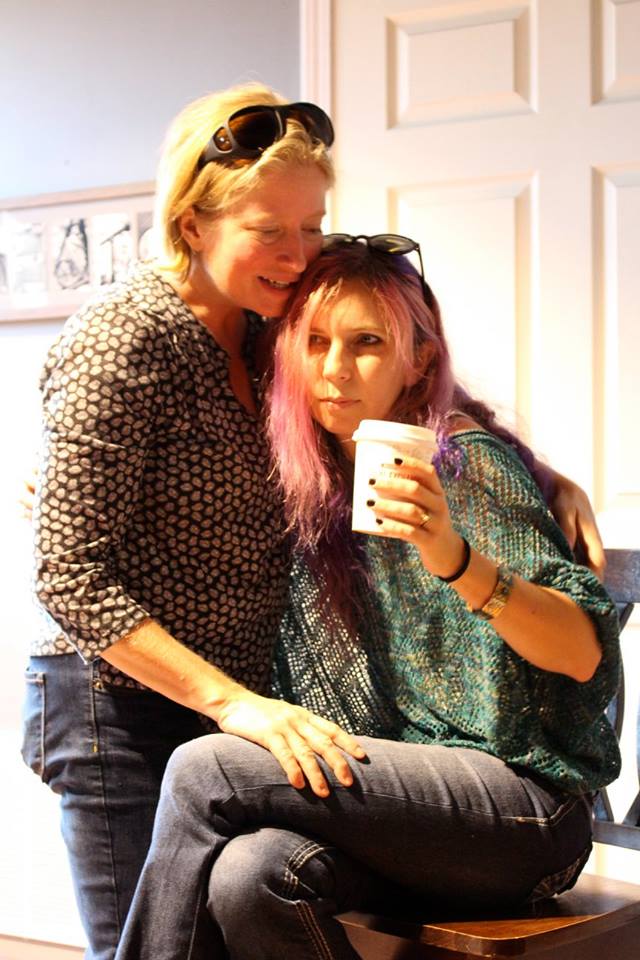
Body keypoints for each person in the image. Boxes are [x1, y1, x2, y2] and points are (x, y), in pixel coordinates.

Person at [22, 82, 605, 960]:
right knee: (240, 877)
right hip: (124, 700)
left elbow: (414, 373)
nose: (297, 254)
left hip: (262, 721)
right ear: (192, 224)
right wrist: (238, 706)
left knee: (216, 806)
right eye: (270, 229)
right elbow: (67, 568)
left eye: (313, 226)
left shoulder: (272, 328)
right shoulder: (129, 340)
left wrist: (534, 472)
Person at [112, 238, 621, 960]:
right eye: (315, 341)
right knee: (251, 874)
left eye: (367, 342)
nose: (335, 369)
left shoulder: (462, 462)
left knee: (208, 767)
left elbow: (581, 653)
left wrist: (455, 559)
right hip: (398, 814)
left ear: (419, 359)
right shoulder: (308, 474)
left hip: (524, 815)